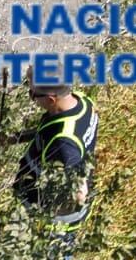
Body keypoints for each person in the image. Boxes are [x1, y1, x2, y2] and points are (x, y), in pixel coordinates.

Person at [10, 82, 98, 231]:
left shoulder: (64, 145)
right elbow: (50, 130)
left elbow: (80, 195)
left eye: (33, 95)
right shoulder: (83, 102)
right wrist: (15, 138)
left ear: (51, 99)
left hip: (51, 222)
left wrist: (46, 217)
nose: (32, 99)